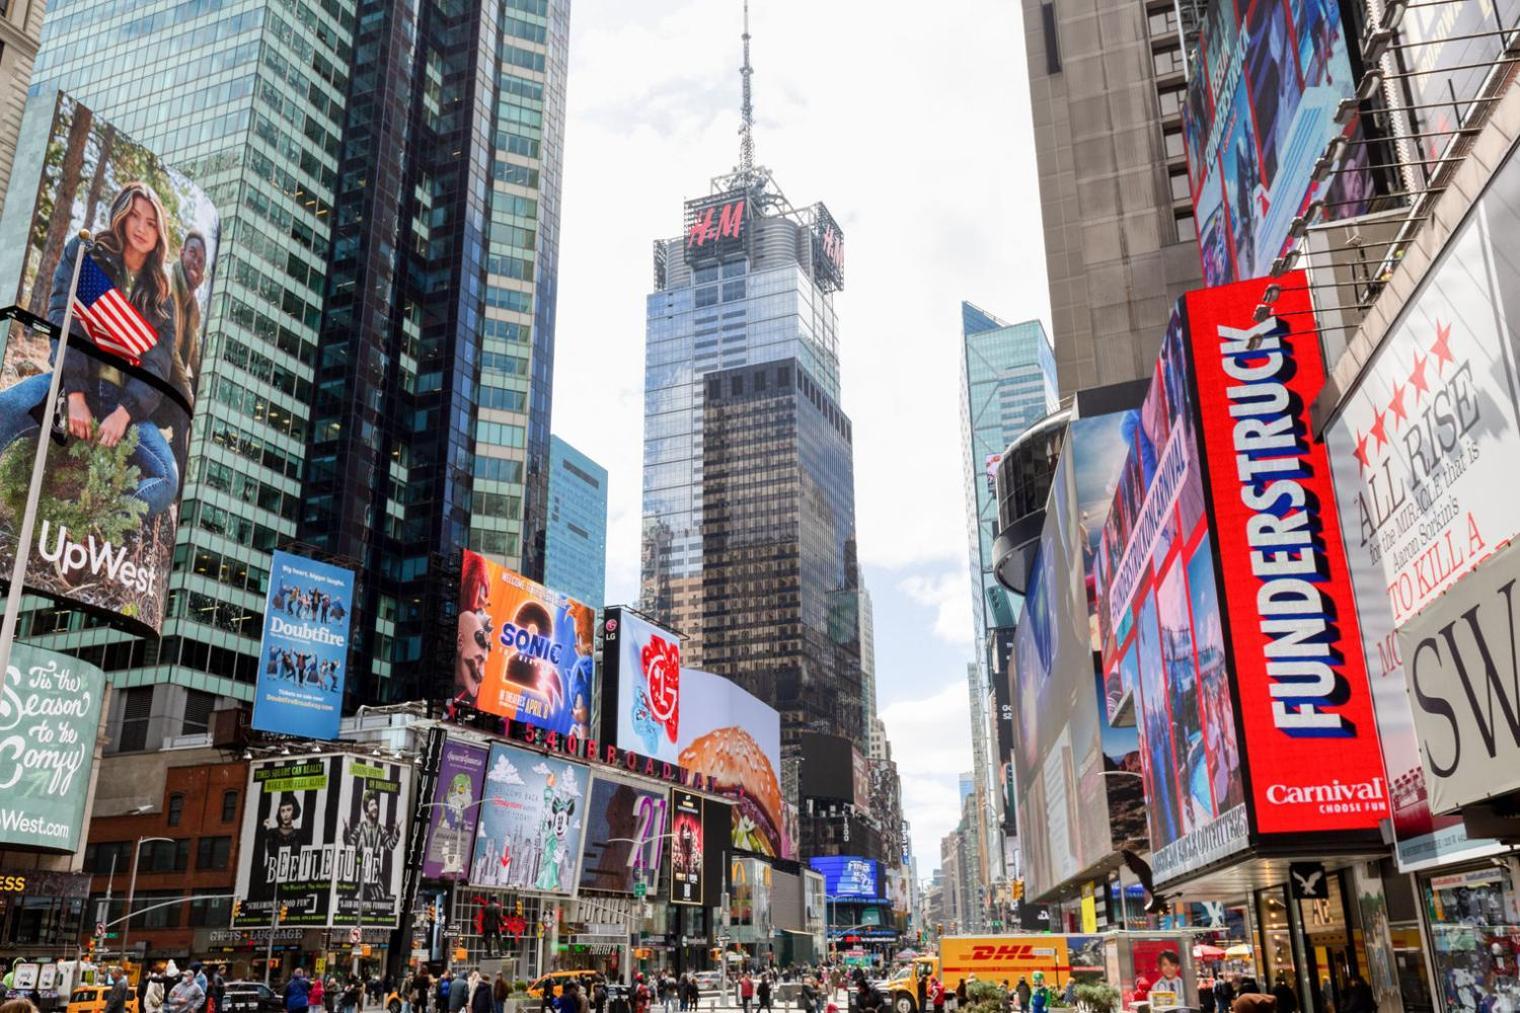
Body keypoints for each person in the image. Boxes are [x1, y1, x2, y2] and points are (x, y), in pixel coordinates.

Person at [0, 183, 181, 517]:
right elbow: (62, 316)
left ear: (160, 233)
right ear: (122, 217)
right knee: (6, 407)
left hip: (124, 406)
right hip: (71, 384)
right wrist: (77, 396)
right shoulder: (86, 254)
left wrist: (124, 414)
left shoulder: (162, 297)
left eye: (151, 222)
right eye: (135, 216)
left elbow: (157, 367)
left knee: (167, 477)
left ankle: (97, 527)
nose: (141, 227)